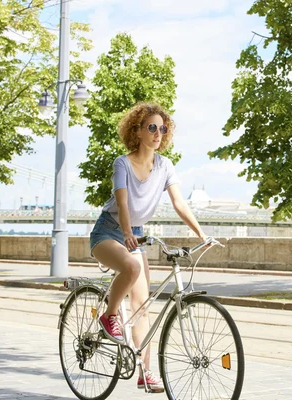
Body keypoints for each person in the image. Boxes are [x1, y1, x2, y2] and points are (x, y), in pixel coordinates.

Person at [89, 102, 208, 393]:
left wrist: (203, 235)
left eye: (162, 128)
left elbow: (180, 203)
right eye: (151, 127)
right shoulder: (122, 163)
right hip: (108, 231)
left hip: (136, 235)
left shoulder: (165, 165)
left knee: (142, 307)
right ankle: (109, 315)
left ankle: (145, 371)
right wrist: (126, 232)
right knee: (131, 266)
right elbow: (122, 202)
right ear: (138, 131)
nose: (158, 133)